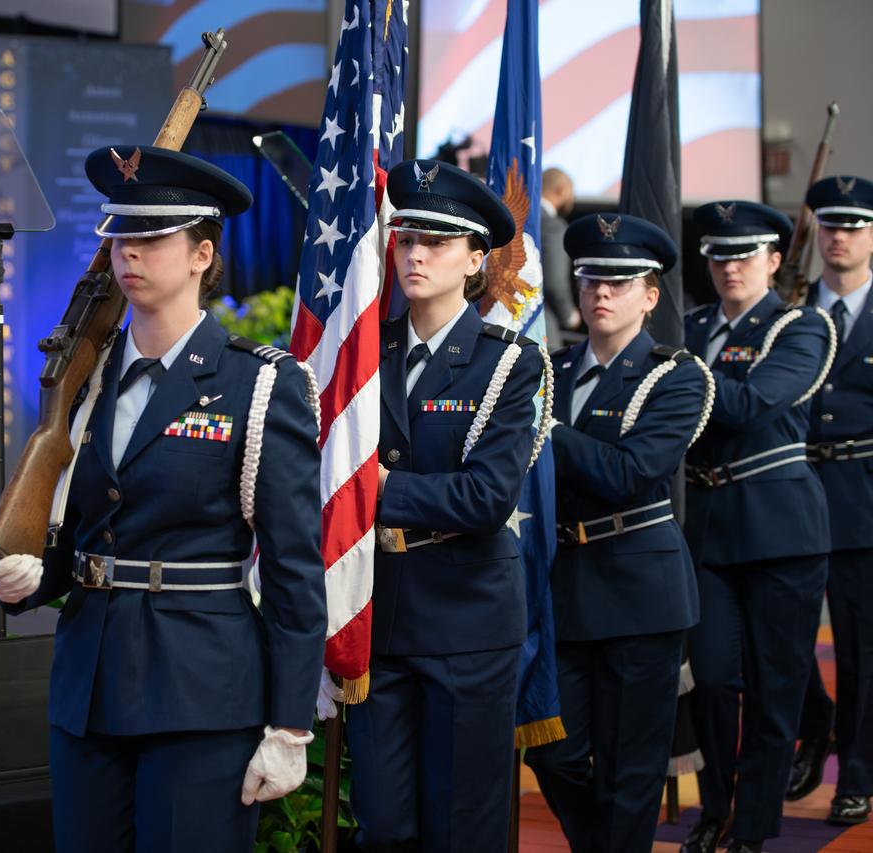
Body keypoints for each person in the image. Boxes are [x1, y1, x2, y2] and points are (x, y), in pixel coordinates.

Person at [0, 146, 327, 853]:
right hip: (92, 684)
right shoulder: (82, 378)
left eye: (152, 238)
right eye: (120, 237)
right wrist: (27, 578)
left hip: (200, 690)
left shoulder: (258, 383)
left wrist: (289, 725)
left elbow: (293, 568)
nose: (129, 253)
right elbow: (83, 530)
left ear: (201, 254)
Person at [344, 159, 550, 852]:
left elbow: (486, 496)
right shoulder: (366, 356)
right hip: (382, 613)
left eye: (436, 242)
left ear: (474, 260)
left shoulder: (510, 362)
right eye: (406, 239)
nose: (416, 254)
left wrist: (368, 491)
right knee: (384, 822)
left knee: (462, 823)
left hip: (467, 621)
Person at [524, 213, 712, 852]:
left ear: (650, 296)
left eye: (621, 281)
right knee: (553, 750)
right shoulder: (549, 370)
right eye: (590, 279)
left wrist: (546, 432)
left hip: (640, 587)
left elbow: (633, 473)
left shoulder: (677, 375)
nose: (602, 292)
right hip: (565, 585)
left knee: (631, 770)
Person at [680, 201, 837, 853]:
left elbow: (751, 404)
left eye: (744, 255)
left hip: (781, 531)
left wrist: (674, 376)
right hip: (709, 529)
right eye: (719, 255)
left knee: (776, 689)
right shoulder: (688, 328)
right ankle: (715, 806)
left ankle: (753, 826)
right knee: (714, 680)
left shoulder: (802, 327)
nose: (730, 267)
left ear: (774, 261)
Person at [789, 175, 873, 826]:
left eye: (852, 226)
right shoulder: (790, 307)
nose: (838, 237)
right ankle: (814, 728)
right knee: (780, 637)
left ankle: (859, 771)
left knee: (859, 649)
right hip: (788, 493)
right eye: (829, 226)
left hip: (861, 498)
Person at [540, 167, 581, 349]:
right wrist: (568, 315)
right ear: (561, 190)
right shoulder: (552, 225)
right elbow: (554, 282)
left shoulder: (514, 217)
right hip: (540, 327)